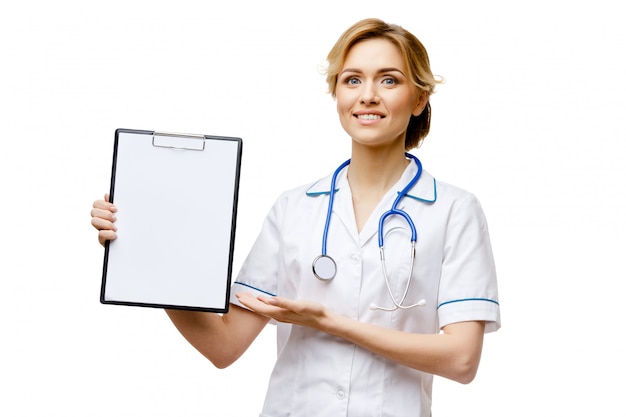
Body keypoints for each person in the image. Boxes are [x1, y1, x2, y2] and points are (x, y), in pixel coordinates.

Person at [91, 17, 500, 417]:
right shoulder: (294, 208)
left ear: (419, 98)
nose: (368, 95)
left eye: (389, 80)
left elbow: (462, 360)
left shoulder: (453, 210)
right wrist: (150, 250)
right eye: (352, 79)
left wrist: (331, 323)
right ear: (336, 93)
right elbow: (224, 346)